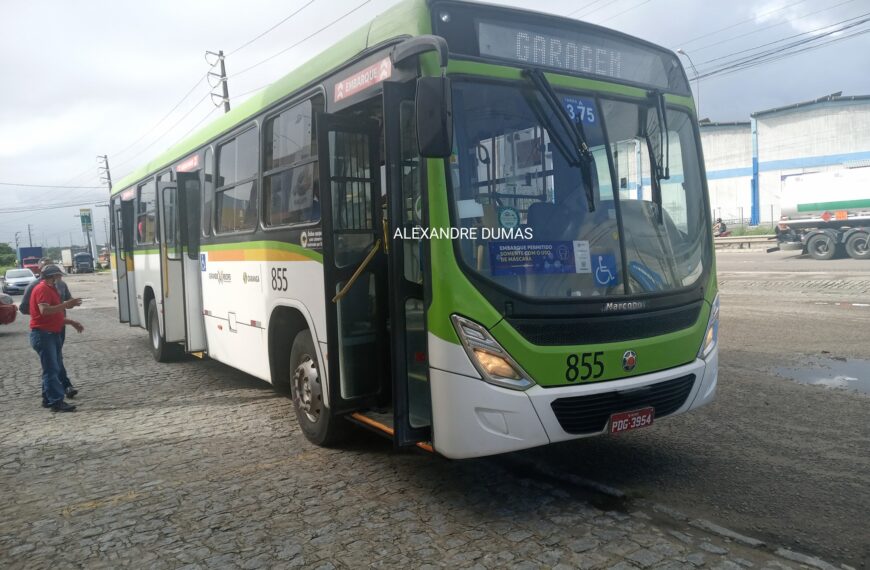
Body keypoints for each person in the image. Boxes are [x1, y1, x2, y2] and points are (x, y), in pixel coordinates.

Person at [21, 258, 79, 401]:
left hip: (54, 329)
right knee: (52, 366)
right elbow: (43, 310)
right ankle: (57, 398)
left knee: (53, 363)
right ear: (51, 276)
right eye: (57, 275)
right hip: (44, 332)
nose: (59, 278)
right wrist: (64, 306)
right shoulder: (40, 288)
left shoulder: (55, 287)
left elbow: (61, 305)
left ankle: (48, 397)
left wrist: (70, 319)